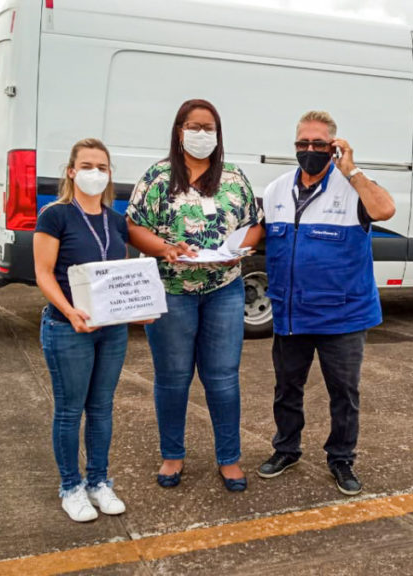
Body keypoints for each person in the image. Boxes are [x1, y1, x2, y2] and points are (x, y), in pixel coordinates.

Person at [127, 99, 263, 492]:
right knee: (172, 379)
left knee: (222, 379)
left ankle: (230, 459)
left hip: (224, 290)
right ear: (179, 130)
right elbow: (134, 226)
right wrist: (163, 248)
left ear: (218, 134)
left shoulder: (234, 178)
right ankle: (172, 454)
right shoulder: (157, 177)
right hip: (171, 291)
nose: (201, 134)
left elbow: (254, 226)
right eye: (194, 126)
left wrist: (240, 249)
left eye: (209, 127)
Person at [257, 111, 396, 496]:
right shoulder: (277, 190)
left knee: (343, 393)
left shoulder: (353, 188)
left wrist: (351, 170)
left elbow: (385, 210)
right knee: (287, 388)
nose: (310, 150)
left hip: (343, 315)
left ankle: (341, 459)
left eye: (319, 144)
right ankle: (286, 449)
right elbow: (258, 237)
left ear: (334, 146)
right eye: (303, 143)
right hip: (291, 313)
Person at [34, 139, 135, 521]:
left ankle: (98, 481)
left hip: (111, 331)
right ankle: (71, 487)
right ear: (72, 171)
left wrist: (136, 308)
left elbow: (120, 276)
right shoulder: (55, 215)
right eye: (87, 165)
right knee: (69, 411)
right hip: (67, 328)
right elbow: (44, 273)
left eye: (102, 167)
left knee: (102, 408)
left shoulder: (115, 220)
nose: (95, 173)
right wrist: (69, 311)